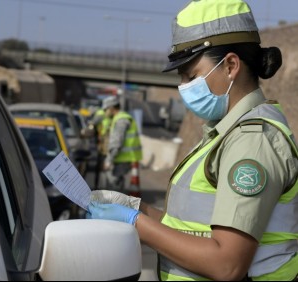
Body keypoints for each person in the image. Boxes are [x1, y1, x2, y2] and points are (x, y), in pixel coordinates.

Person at [87, 0, 298, 281]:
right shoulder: (225, 134)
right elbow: (191, 228)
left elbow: (226, 264)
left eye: (192, 75)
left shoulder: (252, 142)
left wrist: (136, 224)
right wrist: (138, 208)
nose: (184, 87)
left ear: (231, 65)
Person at [100, 96, 142, 194]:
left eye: (105, 109)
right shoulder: (120, 118)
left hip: (122, 157)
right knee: (117, 185)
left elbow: (117, 143)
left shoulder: (121, 120)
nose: (105, 112)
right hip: (124, 157)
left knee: (114, 186)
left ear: (111, 108)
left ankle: (116, 207)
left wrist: (108, 160)